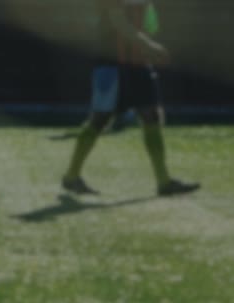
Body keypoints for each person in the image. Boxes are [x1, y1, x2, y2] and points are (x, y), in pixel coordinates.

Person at [62, 0, 200, 196]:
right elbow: (119, 23)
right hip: (112, 66)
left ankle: (164, 182)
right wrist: (150, 45)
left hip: (139, 65)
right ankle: (71, 177)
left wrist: (146, 46)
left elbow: (145, 23)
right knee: (99, 119)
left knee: (151, 116)